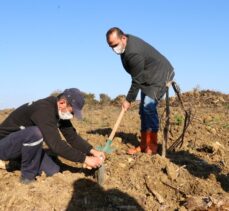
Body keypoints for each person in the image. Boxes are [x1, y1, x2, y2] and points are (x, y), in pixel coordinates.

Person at [0, 88, 105, 184]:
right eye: (72, 111)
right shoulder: (43, 110)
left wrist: (92, 151)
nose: (72, 116)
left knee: (53, 171)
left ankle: (18, 161)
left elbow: (72, 137)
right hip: (4, 145)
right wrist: (85, 159)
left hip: (24, 145)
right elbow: (56, 145)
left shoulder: (59, 111)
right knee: (35, 133)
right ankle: (27, 177)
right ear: (62, 103)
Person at [106, 27, 175, 155]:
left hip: (160, 75)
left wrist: (128, 99)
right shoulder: (125, 46)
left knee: (148, 107)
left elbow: (136, 80)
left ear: (123, 38)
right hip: (148, 76)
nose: (114, 49)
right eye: (111, 46)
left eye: (115, 45)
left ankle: (152, 146)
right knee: (143, 110)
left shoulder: (133, 52)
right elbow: (137, 75)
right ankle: (144, 145)